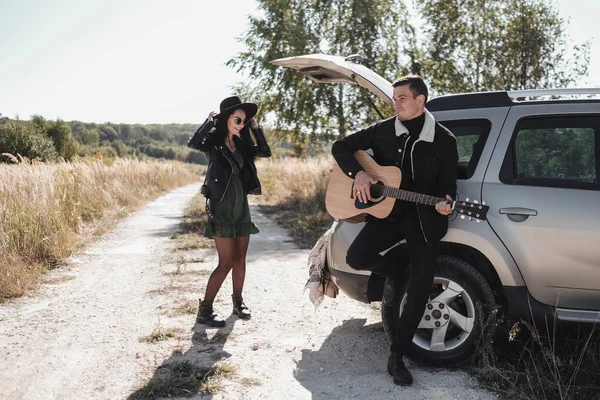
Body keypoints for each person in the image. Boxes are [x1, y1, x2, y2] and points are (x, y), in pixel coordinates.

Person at [331, 75, 458, 386]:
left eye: (401, 97)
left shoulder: (444, 140)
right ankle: (395, 270)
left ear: (420, 100)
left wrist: (446, 204)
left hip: (424, 221)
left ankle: (397, 356)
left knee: (419, 290)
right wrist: (359, 174)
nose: (395, 102)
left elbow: (447, 190)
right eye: (394, 97)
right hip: (387, 216)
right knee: (357, 256)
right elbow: (341, 146)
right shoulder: (384, 130)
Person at [188, 95, 271, 327]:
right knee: (225, 262)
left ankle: (238, 302)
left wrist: (257, 128)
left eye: (245, 121)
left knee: (240, 259)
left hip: (240, 206)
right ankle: (204, 311)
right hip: (222, 206)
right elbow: (194, 143)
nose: (241, 124)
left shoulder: (243, 146)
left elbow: (265, 151)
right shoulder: (213, 145)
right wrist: (209, 122)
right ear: (226, 119)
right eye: (238, 119)